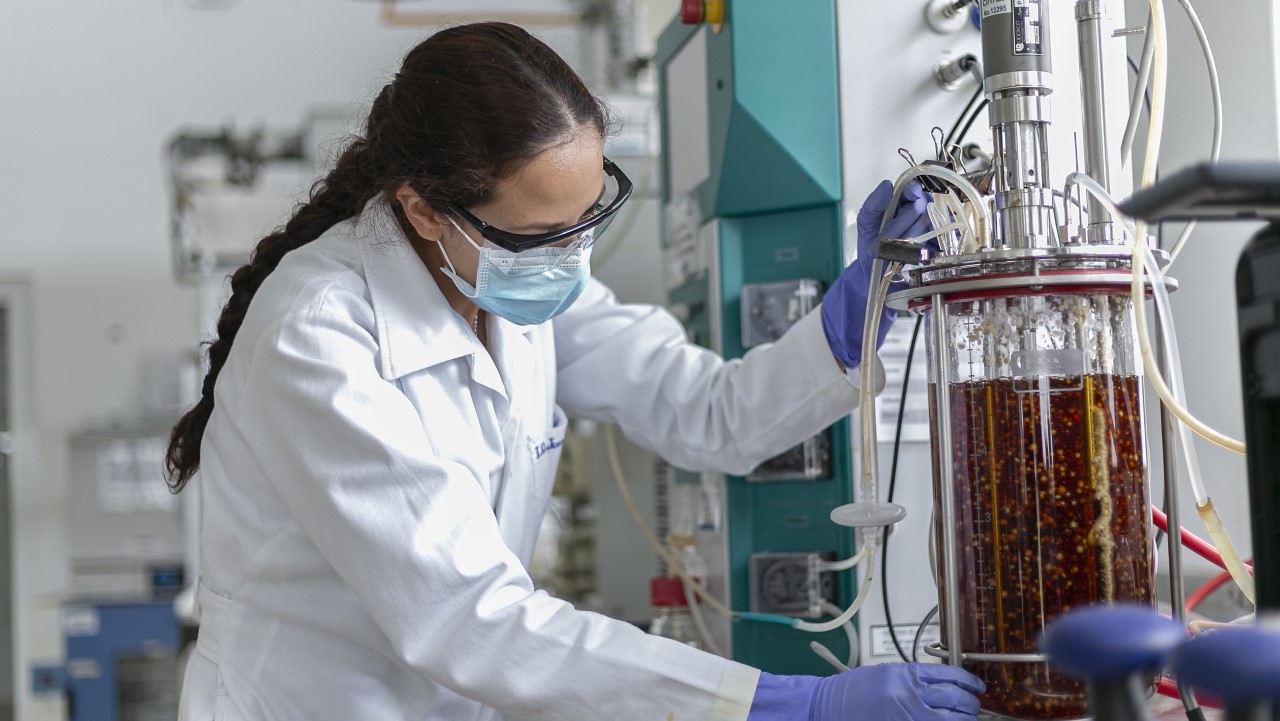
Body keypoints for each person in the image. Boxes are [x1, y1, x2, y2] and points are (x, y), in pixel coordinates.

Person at [166, 21, 982, 721]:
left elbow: (709, 412)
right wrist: (782, 703)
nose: (571, 256)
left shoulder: (510, 277)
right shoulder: (318, 334)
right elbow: (468, 618)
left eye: (590, 215)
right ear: (422, 208)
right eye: (539, 235)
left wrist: (856, 317)